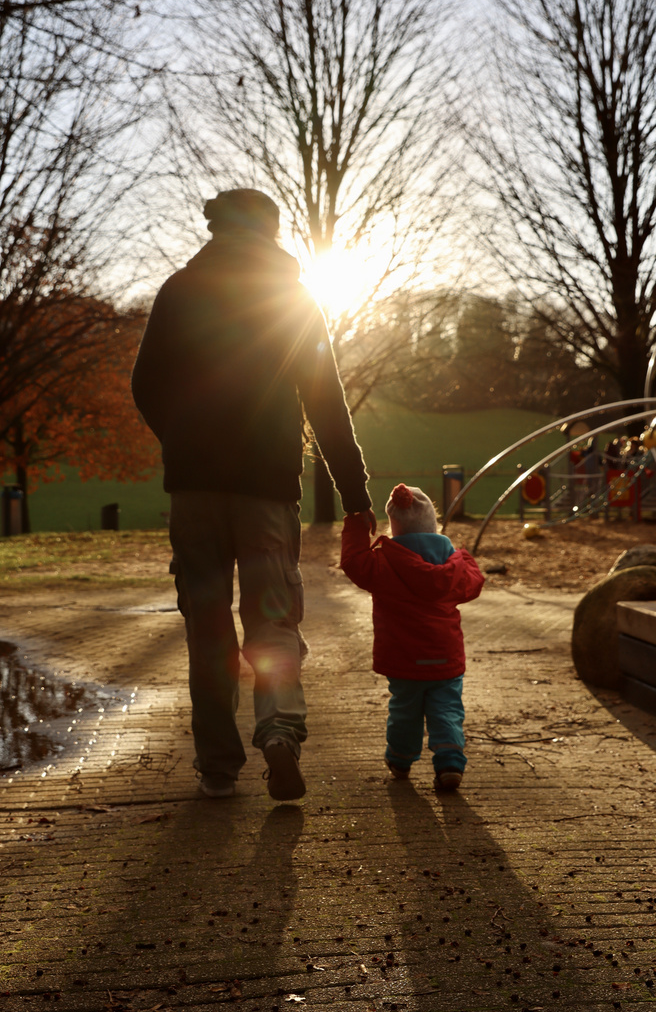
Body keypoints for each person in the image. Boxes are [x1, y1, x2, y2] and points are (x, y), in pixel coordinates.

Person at [131, 188, 375, 801]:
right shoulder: (292, 298)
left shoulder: (179, 291)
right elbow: (327, 402)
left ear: (214, 228)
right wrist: (355, 497)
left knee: (207, 629)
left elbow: (144, 385)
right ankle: (279, 733)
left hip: (193, 493)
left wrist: (182, 440)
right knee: (272, 619)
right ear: (270, 230)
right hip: (267, 492)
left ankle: (217, 767)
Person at [340, 483, 483, 790]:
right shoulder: (451, 563)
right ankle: (449, 761)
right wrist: (463, 557)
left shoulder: (383, 562)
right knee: (446, 708)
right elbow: (474, 583)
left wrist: (355, 522)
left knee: (404, 708)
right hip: (445, 656)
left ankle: (400, 758)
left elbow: (353, 562)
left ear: (395, 526)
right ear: (433, 525)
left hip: (402, 657)